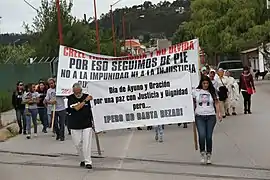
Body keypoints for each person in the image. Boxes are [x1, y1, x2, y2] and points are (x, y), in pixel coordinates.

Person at [193, 76, 222, 164]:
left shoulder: (212, 92)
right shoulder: (196, 91)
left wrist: (219, 113)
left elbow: (217, 103)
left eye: (207, 83)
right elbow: (190, 100)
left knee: (208, 136)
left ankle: (209, 154)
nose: (205, 85)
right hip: (199, 116)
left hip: (211, 116)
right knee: (202, 135)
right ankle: (202, 153)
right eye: (204, 83)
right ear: (201, 83)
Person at [67, 83, 93, 169]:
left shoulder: (87, 96)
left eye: (79, 92)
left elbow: (94, 109)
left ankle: (88, 162)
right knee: (78, 144)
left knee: (87, 144)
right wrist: (85, 101)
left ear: (81, 90)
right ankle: (82, 159)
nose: (77, 94)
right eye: (75, 92)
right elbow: (77, 108)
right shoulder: (70, 98)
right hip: (74, 125)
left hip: (87, 124)